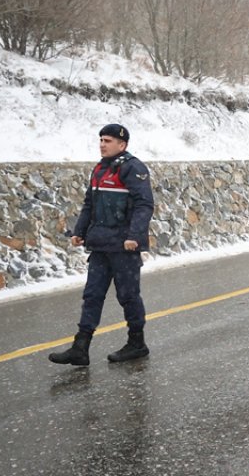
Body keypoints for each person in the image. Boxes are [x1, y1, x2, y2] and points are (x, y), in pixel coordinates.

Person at [49, 124, 155, 366]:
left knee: (128, 296)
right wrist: (80, 232)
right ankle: (80, 348)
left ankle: (137, 343)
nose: (102, 144)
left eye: (107, 140)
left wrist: (134, 236)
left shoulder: (133, 168)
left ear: (122, 144)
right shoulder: (100, 169)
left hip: (123, 247)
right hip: (100, 246)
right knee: (93, 295)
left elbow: (144, 205)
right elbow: (90, 205)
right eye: (101, 140)